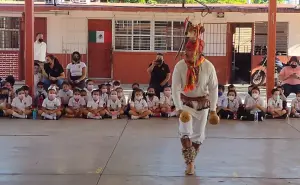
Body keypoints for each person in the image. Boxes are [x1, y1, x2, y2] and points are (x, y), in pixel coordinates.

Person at [172, 24, 219, 175]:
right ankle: (190, 163)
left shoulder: (208, 66)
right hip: (186, 104)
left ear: (199, 52)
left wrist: (213, 110)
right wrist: (179, 108)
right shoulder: (180, 66)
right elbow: (175, 88)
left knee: (198, 136)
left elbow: (213, 88)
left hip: (202, 104)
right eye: (187, 51)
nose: (189, 54)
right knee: (185, 132)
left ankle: (192, 159)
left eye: (192, 51)